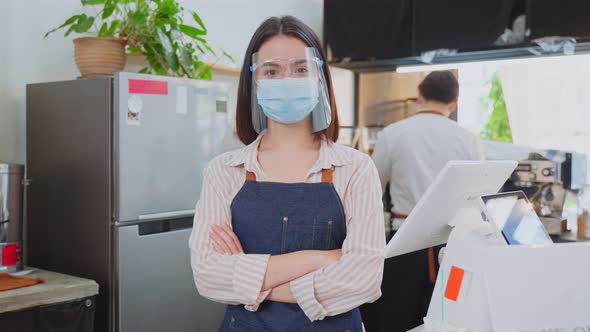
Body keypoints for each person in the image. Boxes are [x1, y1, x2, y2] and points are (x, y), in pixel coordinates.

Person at [189, 16, 385, 332]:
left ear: (319, 76)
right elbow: (208, 275)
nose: (286, 80)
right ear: (253, 81)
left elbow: (364, 278)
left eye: (300, 68)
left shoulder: (355, 169)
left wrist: (249, 284)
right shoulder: (224, 171)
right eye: (272, 71)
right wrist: (318, 259)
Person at [362, 71, 484, 332]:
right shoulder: (467, 139)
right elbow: (478, 195)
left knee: (397, 316)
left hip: (403, 243)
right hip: (451, 247)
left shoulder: (393, 134)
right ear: (454, 102)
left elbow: (371, 187)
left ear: (419, 95)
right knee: (448, 317)